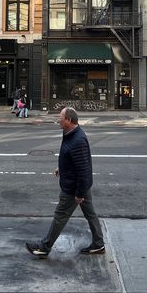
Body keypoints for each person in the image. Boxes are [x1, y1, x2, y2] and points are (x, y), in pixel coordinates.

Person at [26, 107, 104, 258]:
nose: (58, 119)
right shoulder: (70, 133)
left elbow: (83, 169)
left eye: (61, 117)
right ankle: (99, 244)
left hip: (74, 187)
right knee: (90, 214)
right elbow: (72, 159)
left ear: (69, 120)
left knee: (60, 215)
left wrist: (79, 194)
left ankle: (44, 247)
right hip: (79, 183)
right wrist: (61, 167)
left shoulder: (78, 140)